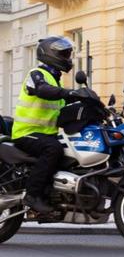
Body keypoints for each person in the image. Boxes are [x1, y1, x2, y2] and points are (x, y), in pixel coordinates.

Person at [12, 36, 90, 214]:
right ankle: (31, 195)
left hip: (46, 133)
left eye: (68, 54)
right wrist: (71, 93)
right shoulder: (36, 75)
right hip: (26, 133)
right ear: (50, 54)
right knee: (53, 148)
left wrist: (89, 104)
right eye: (64, 54)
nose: (68, 58)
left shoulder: (56, 80)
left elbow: (63, 107)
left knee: (68, 153)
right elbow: (42, 90)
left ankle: (54, 197)